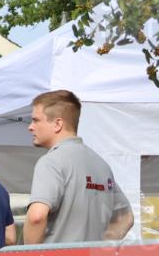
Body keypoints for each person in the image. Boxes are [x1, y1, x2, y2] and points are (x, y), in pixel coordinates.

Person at [25, 89, 133, 245]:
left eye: (36, 120)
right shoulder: (101, 165)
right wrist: (98, 248)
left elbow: (36, 217)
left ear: (57, 124)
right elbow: (125, 218)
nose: (30, 127)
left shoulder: (51, 162)